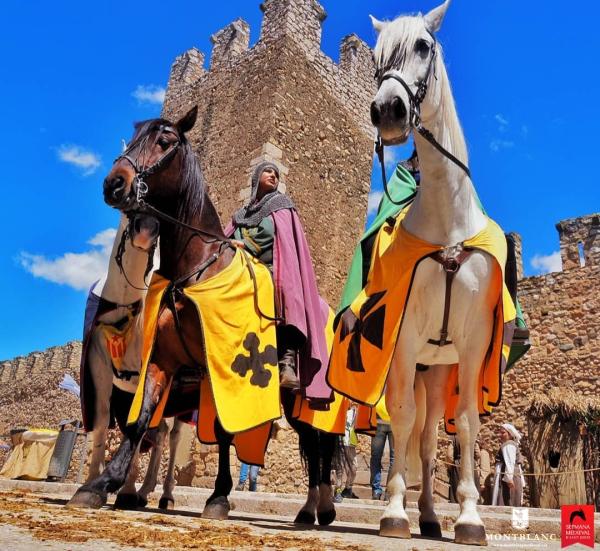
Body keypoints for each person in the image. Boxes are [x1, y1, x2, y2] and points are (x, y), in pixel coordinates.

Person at [227, 162, 332, 408]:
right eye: (267, 171)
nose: (273, 175)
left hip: (273, 268)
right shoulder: (240, 215)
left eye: (276, 173)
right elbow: (227, 237)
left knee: (284, 293)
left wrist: (246, 244)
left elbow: (271, 234)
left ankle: (287, 361)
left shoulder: (281, 207)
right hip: (241, 266)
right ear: (256, 177)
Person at [491, 423, 525, 506]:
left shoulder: (508, 444)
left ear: (510, 434)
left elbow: (510, 462)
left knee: (508, 500)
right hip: (512, 475)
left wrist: (509, 479)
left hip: (509, 477)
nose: (500, 435)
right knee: (511, 501)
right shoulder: (509, 444)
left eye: (503, 433)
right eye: (500, 433)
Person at [333, 403, 359, 502]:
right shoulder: (340, 410)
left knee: (354, 467)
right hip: (340, 441)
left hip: (351, 443)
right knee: (340, 469)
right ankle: (337, 491)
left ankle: (348, 489)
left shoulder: (358, 412)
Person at [370, 413, 394, 500]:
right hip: (395, 421)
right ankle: (389, 492)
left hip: (378, 419)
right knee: (394, 459)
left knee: (375, 457)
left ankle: (376, 491)